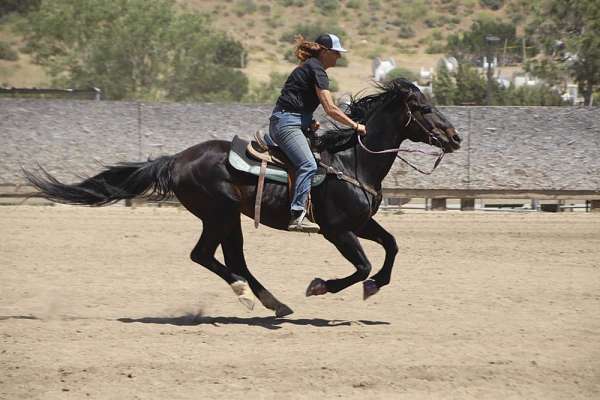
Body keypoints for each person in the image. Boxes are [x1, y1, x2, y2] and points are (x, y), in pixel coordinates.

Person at [264, 33, 367, 233]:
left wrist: (307, 121)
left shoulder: (310, 67)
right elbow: (330, 108)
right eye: (336, 53)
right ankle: (297, 214)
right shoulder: (316, 69)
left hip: (290, 121)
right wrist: (356, 126)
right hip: (287, 125)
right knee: (308, 164)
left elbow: (296, 100)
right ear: (325, 52)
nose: (339, 57)